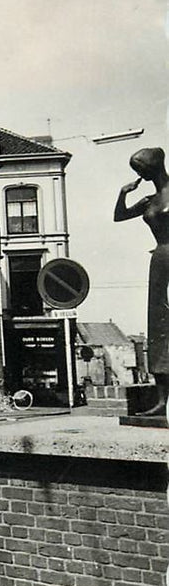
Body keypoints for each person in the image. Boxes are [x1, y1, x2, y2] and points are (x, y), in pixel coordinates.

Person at [114, 146, 169, 417]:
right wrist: (123, 194)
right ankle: (161, 402)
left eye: (141, 169)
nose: (140, 174)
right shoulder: (149, 200)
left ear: (154, 166)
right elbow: (120, 216)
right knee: (158, 329)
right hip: (159, 261)